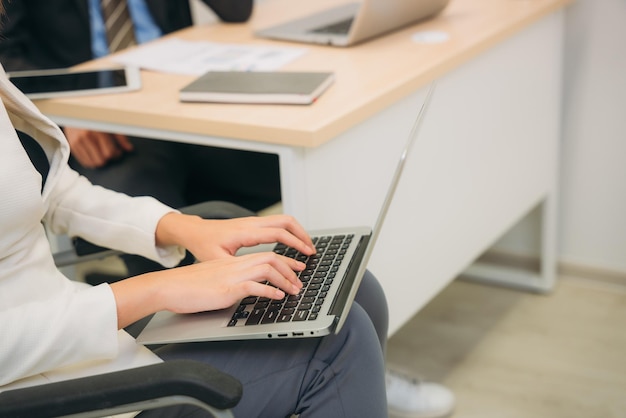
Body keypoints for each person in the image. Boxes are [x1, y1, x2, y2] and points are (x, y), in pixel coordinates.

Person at [0, 2, 456, 416]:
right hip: (45, 386)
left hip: (77, 335)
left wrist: (182, 227)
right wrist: (156, 289)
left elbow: (50, 187)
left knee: (351, 289)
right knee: (340, 340)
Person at [0, 0, 282, 279]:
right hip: (99, 129)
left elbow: (237, 10)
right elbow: (6, 57)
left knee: (284, 167)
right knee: (135, 188)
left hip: (180, 112)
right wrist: (62, 114)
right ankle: (179, 306)